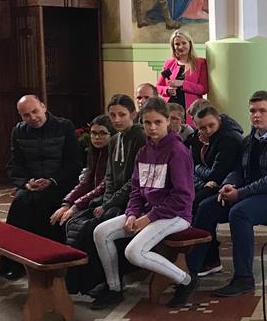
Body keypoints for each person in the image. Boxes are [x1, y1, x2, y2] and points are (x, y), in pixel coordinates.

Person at [186, 91, 267, 297]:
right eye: (252, 111)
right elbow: (239, 170)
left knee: (239, 213)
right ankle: (190, 272)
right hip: (254, 193)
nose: (256, 115)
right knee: (207, 207)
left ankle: (244, 278)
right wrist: (228, 185)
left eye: (262, 111)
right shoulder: (250, 140)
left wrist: (240, 193)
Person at [92, 97, 196, 309]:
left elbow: (182, 197)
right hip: (147, 213)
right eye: (147, 123)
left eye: (158, 122)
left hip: (175, 215)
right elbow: (136, 190)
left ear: (167, 121)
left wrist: (148, 218)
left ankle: (186, 280)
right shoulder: (143, 152)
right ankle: (114, 288)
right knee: (101, 232)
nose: (152, 127)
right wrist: (132, 213)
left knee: (134, 252)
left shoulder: (178, 151)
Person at [62, 95, 146, 298]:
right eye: (113, 115)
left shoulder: (140, 137)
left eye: (122, 115)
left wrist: (109, 204)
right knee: (79, 224)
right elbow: (109, 177)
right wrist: (106, 202)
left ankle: (106, 283)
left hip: (133, 202)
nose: (117, 119)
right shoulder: (115, 139)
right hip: (113, 200)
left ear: (133, 114)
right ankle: (86, 282)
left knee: (93, 229)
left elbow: (134, 181)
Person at [0, 95, 81, 280]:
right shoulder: (18, 131)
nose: (32, 117)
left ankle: (48, 261)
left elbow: (74, 162)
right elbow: (15, 164)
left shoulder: (64, 126)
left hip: (59, 183)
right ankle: (13, 264)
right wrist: (26, 183)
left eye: (35, 111)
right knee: (20, 203)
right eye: (26, 115)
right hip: (32, 185)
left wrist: (52, 180)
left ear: (43, 107)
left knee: (44, 202)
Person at [49, 115, 116, 294]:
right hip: (93, 199)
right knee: (57, 218)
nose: (97, 137)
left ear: (111, 135)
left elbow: (104, 186)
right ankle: (63, 273)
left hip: (106, 201)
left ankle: (86, 280)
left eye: (102, 133)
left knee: (81, 227)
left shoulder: (113, 152)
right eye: (94, 133)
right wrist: (67, 203)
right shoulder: (94, 152)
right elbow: (86, 181)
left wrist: (75, 207)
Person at [190, 105, 243, 222]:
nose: (208, 130)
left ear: (219, 120)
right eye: (203, 128)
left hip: (228, 183)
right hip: (208, 181)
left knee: (195, 202)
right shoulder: (199, 136)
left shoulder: (229, 138)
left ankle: (198, 233)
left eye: (211, 125)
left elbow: (215, 174)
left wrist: (197, 167)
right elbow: (190, 164)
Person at [157, 29, 208, 126]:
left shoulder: (200, 63)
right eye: (177, 44)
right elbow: (159, 86)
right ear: (173, 46)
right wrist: (167, 90)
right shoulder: (169, 63)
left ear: (190, 43)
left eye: (184, 43)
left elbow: (203, 88)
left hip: (190, 108)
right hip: (170, 108)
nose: (180, 47)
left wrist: (182, 84)